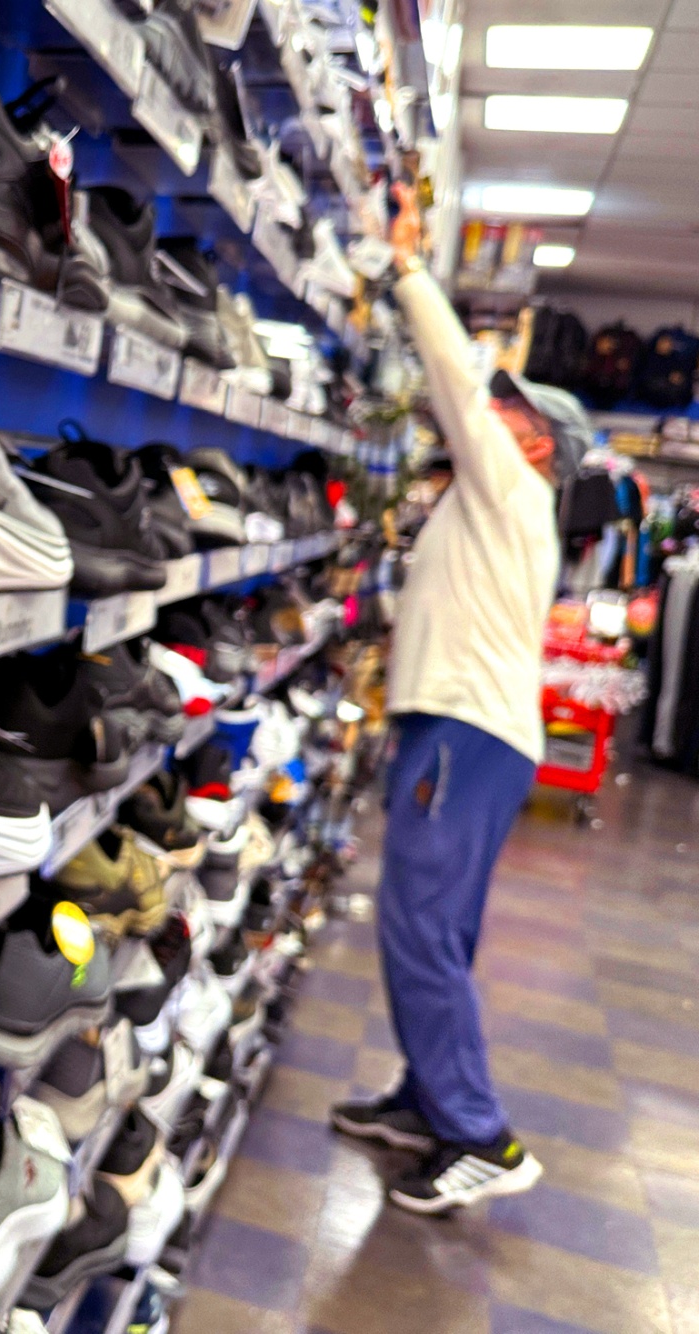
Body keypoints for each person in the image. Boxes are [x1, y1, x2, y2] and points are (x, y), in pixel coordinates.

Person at [328, 184, 559, 1214]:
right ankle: (429, 1101)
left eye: (508, 410)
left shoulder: (511, 484)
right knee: (438, 929)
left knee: (419, 925)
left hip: (469, 730)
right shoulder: (491, 506)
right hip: (465, 728)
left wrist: (410, 269)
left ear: (535, 441)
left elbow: (461, 389)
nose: (486, 413)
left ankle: (478, 1134)